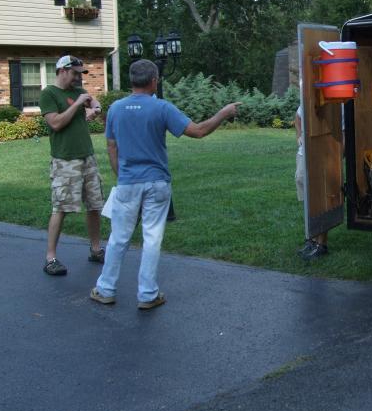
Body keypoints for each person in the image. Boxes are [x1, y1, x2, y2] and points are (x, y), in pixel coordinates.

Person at [89, 59, 240, 310]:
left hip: (127, 183)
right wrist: (223, 113)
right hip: (157, 183)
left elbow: (111, 146)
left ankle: (105, 289)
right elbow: (199, 131)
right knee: (151, 239)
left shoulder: (115, 108)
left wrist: (122, 176)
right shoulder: (162, 108)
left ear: (131, 81)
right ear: (154, 81)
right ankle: (147, 295)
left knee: (118, 238)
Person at [39, 55, 105, 276]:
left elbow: (92, 103)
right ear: (62, 71)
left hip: (87, 157)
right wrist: (78, 104)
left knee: (95, 205)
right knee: (61, 208)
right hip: (65, 160)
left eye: (81, 74)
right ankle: (51, 258)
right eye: (75, 73)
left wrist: (94, 106)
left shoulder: (78, 91)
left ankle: (96, 250)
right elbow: (56, 123)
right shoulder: (49, 94)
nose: (79, 77)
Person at [295, 105, 328, 260]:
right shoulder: (307, 98)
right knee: (305, 192)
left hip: (322, 155)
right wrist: (299, 135)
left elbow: (342, 131)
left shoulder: (335, 105)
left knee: (319, 197)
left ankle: (321, 244)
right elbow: (298, 117)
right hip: (304, 153)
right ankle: (311, 239)